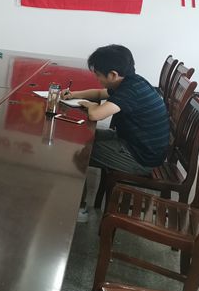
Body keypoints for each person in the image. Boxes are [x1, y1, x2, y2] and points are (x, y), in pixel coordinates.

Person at [62, 44, 169, 222]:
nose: (96, 78)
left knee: (79, 152)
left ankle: (80, 210)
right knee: (81, 138)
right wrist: (74, 94)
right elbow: (99, 93)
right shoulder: (133, 81)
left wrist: (87, 104)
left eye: (97, 74)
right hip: (137, 144)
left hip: (140, 158)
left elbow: (95, 114)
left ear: (112, 74)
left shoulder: (129, 91)